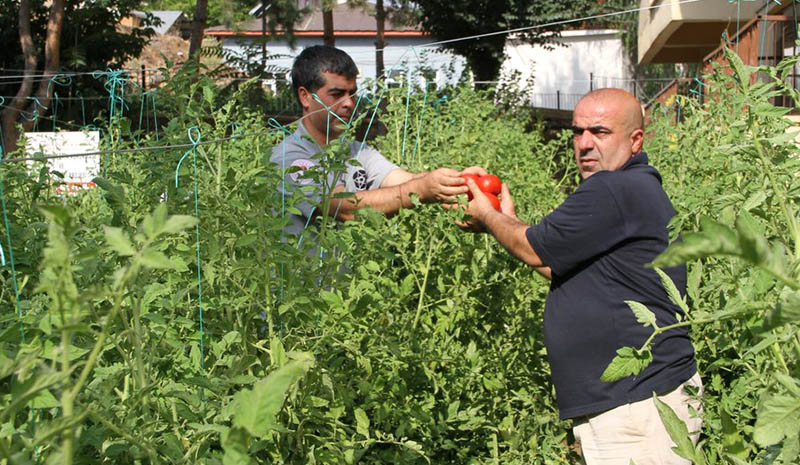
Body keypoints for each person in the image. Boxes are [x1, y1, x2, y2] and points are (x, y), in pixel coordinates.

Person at [459, 88, 702, 465]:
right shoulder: (631, 189)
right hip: (637, 401)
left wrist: (490, 216)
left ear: (635, 140)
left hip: (637, 405)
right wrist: (504, 218)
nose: (585, 144)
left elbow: (532, 248)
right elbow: (555, 262)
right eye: (578, 132)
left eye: (600, 132)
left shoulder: (614, 188)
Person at [271, 45, 468, 240]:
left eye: (352, 94)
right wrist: (422, 190)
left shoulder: (357, 151)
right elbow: (343, 208)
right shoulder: (289, 157)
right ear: (305, 97)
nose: (349, 103)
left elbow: (402, 179)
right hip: (305, 272)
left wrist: (461, 183)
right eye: (337, 94)